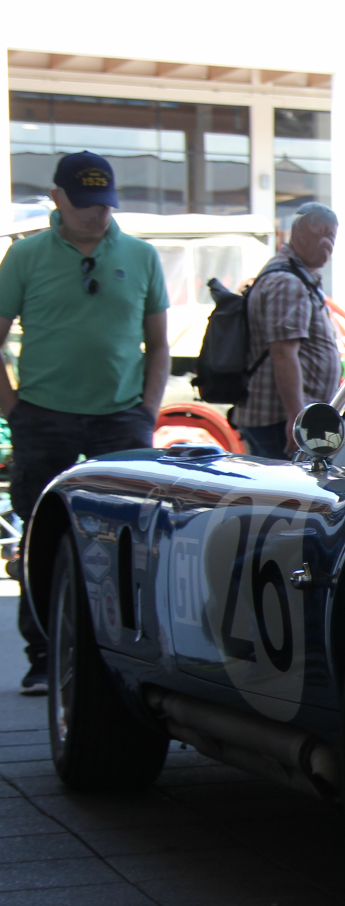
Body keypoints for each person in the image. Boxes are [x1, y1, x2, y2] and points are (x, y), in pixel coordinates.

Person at [0, 151, 170, 694]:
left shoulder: (141, 256)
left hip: (121, 419)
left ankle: (124, 653)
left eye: (104, 204)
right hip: (43, 417)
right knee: (42, 537)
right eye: (83, 203)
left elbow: (160, 343)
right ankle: (43, 654)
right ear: (56, 198)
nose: (96, 214)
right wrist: (12, 408)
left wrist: (146, 409)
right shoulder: (24, 256)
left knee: (128, 540)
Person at [235, 204, 341, 460]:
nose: (328, 244)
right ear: (300, 236)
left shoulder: (296, 276)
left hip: (282, 418)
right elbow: (283, 353)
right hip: (279, 421)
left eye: (332, 237)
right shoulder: (288, 282)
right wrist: (297, 417)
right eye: (322, 235)